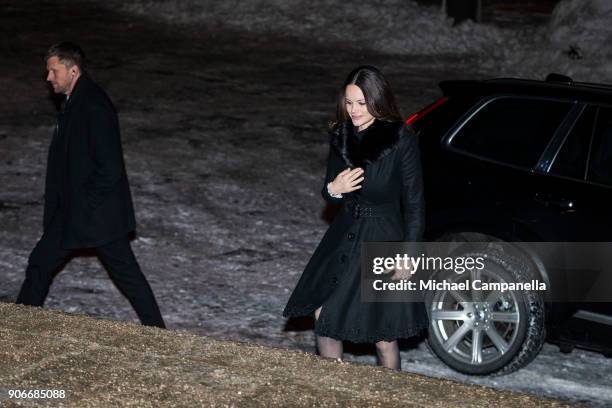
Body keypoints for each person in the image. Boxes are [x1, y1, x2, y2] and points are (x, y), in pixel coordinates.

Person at [283, 65, 428, 369]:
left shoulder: (401, 139)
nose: (354, 111)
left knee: (383, 333)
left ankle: (392, 396)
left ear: (378, 101)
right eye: (349, 103)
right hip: (346, 231)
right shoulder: (342, 135)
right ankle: (335, 389)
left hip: (383, 236)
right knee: (323, 315)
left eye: (362, 103)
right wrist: (334, 189)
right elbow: (329, 188)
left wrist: (408, 253)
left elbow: (414, 202)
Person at [16, 42, 165, 328]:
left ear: (73, 71)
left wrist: (81, 206)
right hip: (80, 210)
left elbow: (110, 170)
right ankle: (20, 325)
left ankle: (158, 331)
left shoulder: (94, 106)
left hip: (94, 214)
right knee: (41, 263)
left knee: (126, 274)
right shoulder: (76, 101)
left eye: (53, 71)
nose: (48, 78)